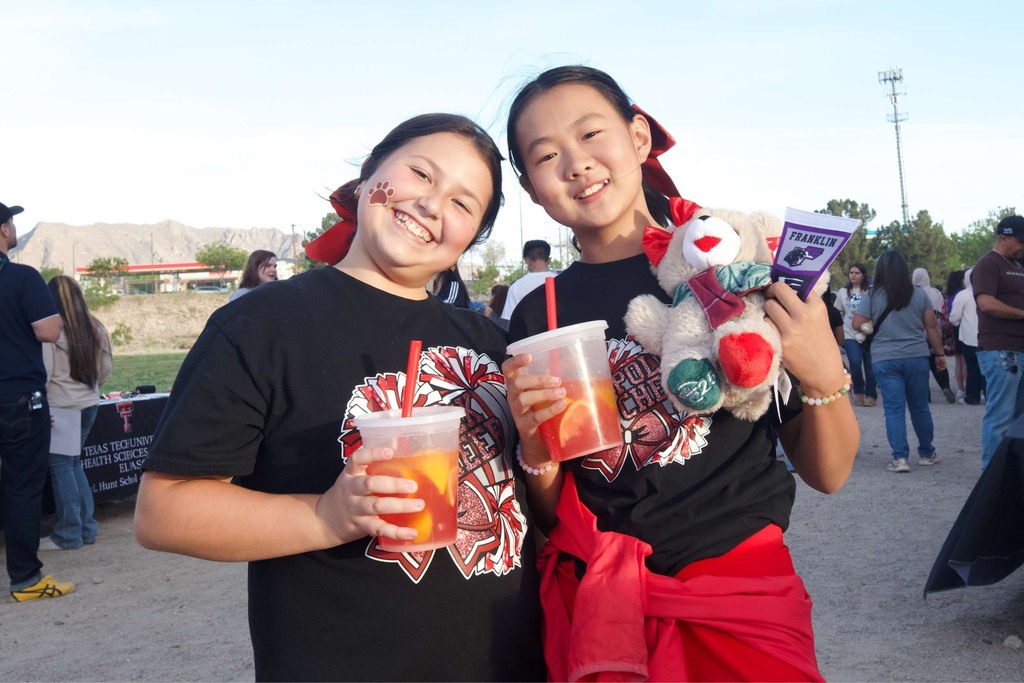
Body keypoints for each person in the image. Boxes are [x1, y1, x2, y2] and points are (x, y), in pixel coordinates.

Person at [133, 114, 544, 681]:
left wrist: (541, 452)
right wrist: (326, 518)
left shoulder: (494, 342)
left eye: (462, 204)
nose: (431, 204)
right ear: (366, 178)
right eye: (420, 173)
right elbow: (164, 512)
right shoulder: (262, 324)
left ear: (470, 237)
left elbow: (543, 511)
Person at [503, 65, 858, 681]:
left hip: (739, 595)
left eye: (591, 135)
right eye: (546, 155)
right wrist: (537, 458)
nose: (577, 165)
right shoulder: (539, 313)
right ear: (532, 188)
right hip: (602, 605)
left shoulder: (729, 259)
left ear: (639, 137)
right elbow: (552, 504)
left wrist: (824, 373)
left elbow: (828, 473)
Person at [0, 200, 75, 601]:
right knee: (22, 487)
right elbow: (48, 331)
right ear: (3, 231)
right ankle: (26, 579)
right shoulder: (22, 278)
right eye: (11, 222)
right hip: (16, 398)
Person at [854, 250, 946, 473]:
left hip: (885, 358)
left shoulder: (871, 295)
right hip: (916, 356)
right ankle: (926, 453)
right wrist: (940, 354)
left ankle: (900, 458)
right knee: (920, 408)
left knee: (894, 410)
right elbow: (931, 326)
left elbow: (857, 323)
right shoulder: (919, 294)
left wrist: (868, 324)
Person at [39, 275, 112, 551]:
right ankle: (85, 526)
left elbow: (43, 374)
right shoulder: (95, 327)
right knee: (73, 464)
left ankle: (69, 532)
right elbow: (105, 369)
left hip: (62, 405)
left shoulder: (51, 332)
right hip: (88, 404)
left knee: (61, 468)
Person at [972, 215, 1024, 470]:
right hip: (1002, 350)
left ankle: (1011, 475)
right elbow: (986, 303)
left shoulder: (1018, 265)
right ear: (1003, 237)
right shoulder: (988, 264)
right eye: (1021, 240)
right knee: (1001, 416)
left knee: (1019, 419)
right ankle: (990, 478)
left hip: (1018, 348)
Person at [835, 263, 878, 407]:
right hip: (849, 333)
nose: (853, 275)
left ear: (863, 275)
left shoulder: (870, 292)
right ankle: (858, 391)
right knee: (854, 362)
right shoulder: (842, 292)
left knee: (870, 367)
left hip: (869, 334)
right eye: (851, 272)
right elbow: (837, 311)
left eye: (857, 273)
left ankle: (871, 395)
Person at [913, 267, 956, 403]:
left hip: (918, 331)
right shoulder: (936, 292)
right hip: (935, 330)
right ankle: (945, 385)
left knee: (921, 364)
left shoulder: (911, 294)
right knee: (938, 359)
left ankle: (926, 394)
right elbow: (943, 309)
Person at [500, 239, 556, 326]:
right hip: (562, 337)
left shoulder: (516, 287)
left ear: (527, 261)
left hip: (529, 338)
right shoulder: (563, 281)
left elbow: (510, 322)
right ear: (549, 260)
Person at [950, 267, 984, 405]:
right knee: (987, 367)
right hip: (987, 336)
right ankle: (986, 393)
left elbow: (954, 317)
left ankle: (972, 396)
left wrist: (958, 322)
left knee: (972, 367)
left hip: (969, 337)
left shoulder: (963, 295)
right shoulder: (987, 293)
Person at [945, 269, 968, 400]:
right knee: (966, 361)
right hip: (963, 327)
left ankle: (960, 389)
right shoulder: (963, 293)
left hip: (953, 328)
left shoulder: (949, 294)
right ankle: (969, 386)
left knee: (958, 360)